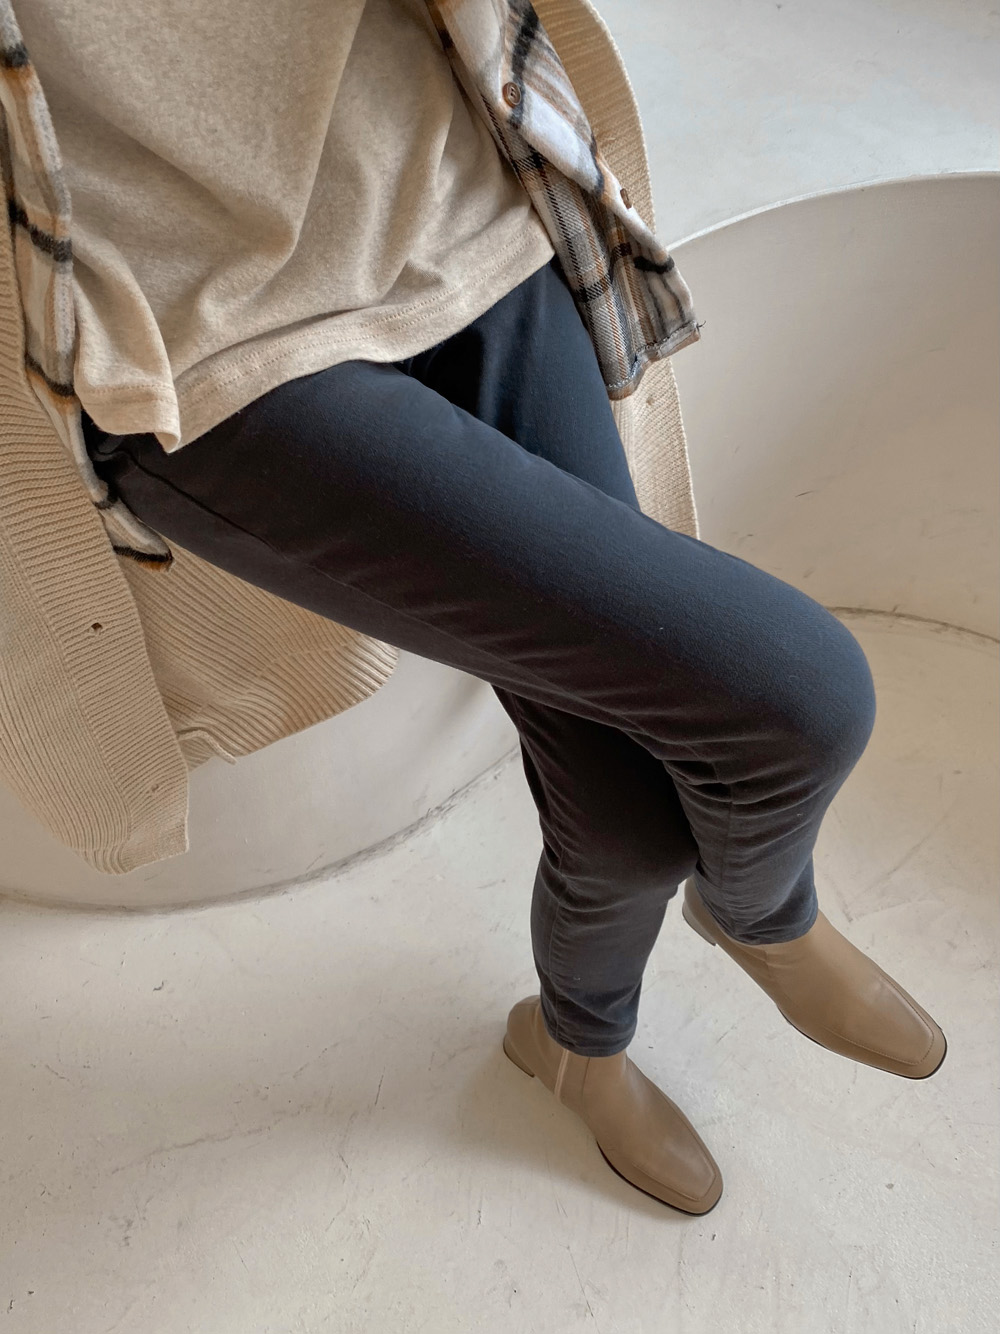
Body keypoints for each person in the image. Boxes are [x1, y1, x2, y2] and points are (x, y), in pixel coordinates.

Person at [2, 0, 945, 1216]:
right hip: (189, 340)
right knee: (801, 692)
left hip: (453, 196)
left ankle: (573, 1043)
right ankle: (761, 908)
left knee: (629, 816)